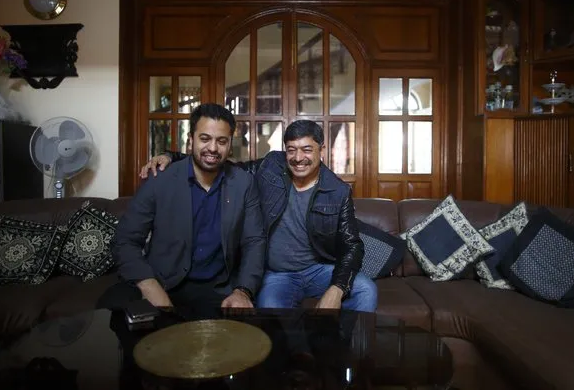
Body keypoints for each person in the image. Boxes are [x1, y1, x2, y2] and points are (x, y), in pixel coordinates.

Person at [140, 119, 377, 312]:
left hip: (318, 270)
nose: (298, 158)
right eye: (291, 150)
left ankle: (346, 355)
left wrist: (336, 289)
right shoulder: (271, 166)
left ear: (321, 150)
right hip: (276, 273)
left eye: (307, 149)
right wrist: (173, 156)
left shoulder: (338, 191)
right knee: (269, 309)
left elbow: (352, 247)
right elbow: (225, 166)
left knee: (366, 289)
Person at [101, 103, 266, 314]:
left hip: (217, 291)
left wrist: (243, 291)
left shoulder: (244, 184)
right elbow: (125, 240)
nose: (213, 148)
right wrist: (149, 284)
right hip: (162, 283)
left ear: (229, 144)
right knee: (112, 310)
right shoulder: (159, 178)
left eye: (221, 141)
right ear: (190, 140)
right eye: (205, 139)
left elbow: (254, 242)